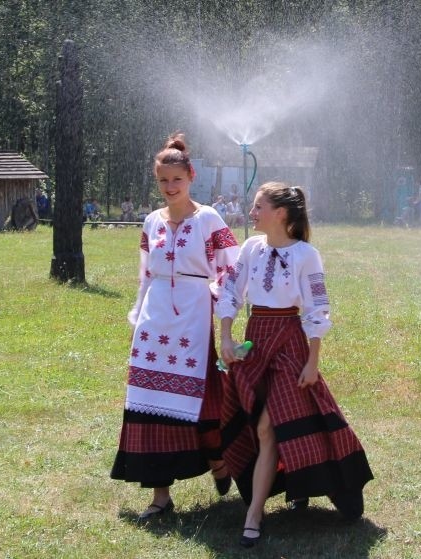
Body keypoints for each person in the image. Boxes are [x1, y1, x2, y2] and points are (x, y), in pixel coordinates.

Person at [216, 182, 373, 548]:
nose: (252, 213)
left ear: (280, 214)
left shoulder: (306, 255)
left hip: (289, 343)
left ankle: (254, 514)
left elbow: (317, 309)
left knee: (271, 426)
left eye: (258, 207)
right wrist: (225, 337)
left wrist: (313, 362)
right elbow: (229, 291)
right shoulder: (251, 248)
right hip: (256, 340)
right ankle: (287, 484)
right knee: (253, 422)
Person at [110, 132, 240, 520]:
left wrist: (217, 307)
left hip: (194, 317)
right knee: (150, 402)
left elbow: (232, 270)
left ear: (191, 176)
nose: (170, 187)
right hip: (156, 321)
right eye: (163, 181)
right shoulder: (151, 222)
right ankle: (160, 495)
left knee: (201, 398)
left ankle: (219, 461)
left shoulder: (209, 219)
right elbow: (145, 275)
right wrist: (138, 317)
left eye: (177, 180)